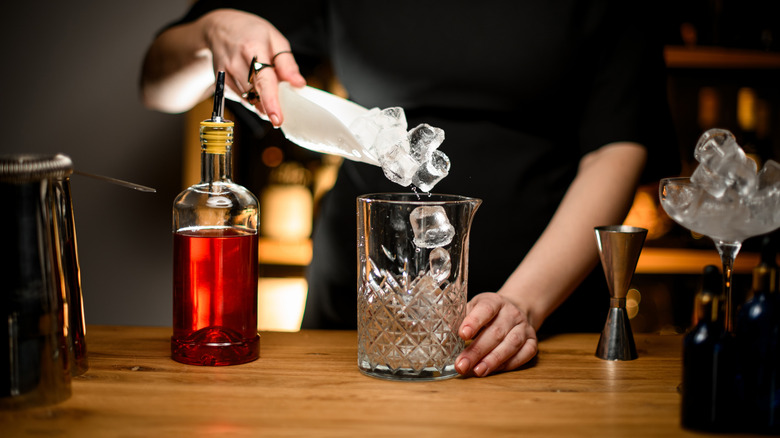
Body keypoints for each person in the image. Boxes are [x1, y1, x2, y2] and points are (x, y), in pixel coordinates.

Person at [141, 1, 679, 377]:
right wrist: (211, 31)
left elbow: (618, 145)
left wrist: (524, 304)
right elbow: (158, 82)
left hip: (551, 326)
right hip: (358, 330)